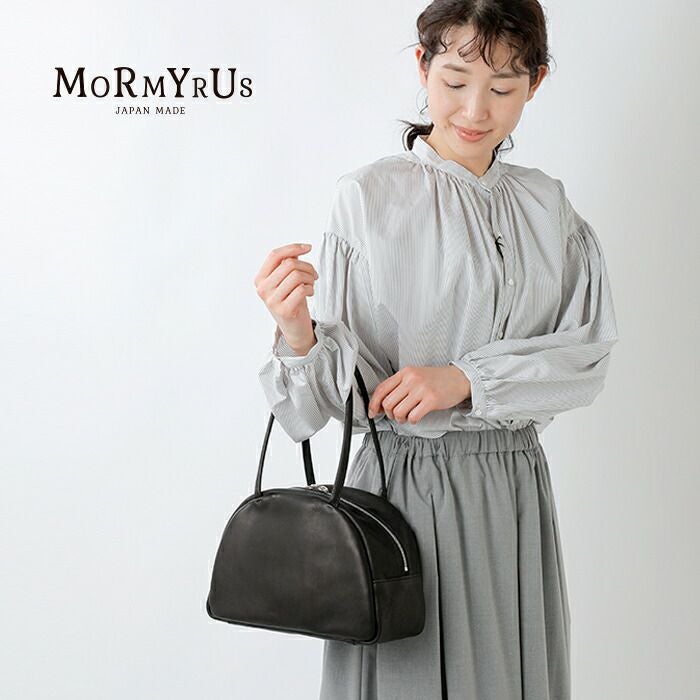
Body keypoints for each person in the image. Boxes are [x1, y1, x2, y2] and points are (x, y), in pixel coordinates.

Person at [254, 1, 619, 698]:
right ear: (423, 67)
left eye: (503, 88)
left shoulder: (548, 207)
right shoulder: (370, 198)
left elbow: (587, 357)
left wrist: (466, 380)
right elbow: (330, 408)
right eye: (454, 81)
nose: (476, 110)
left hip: (512, 487)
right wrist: (298, 332)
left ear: (536, 82)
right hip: (402, 493)